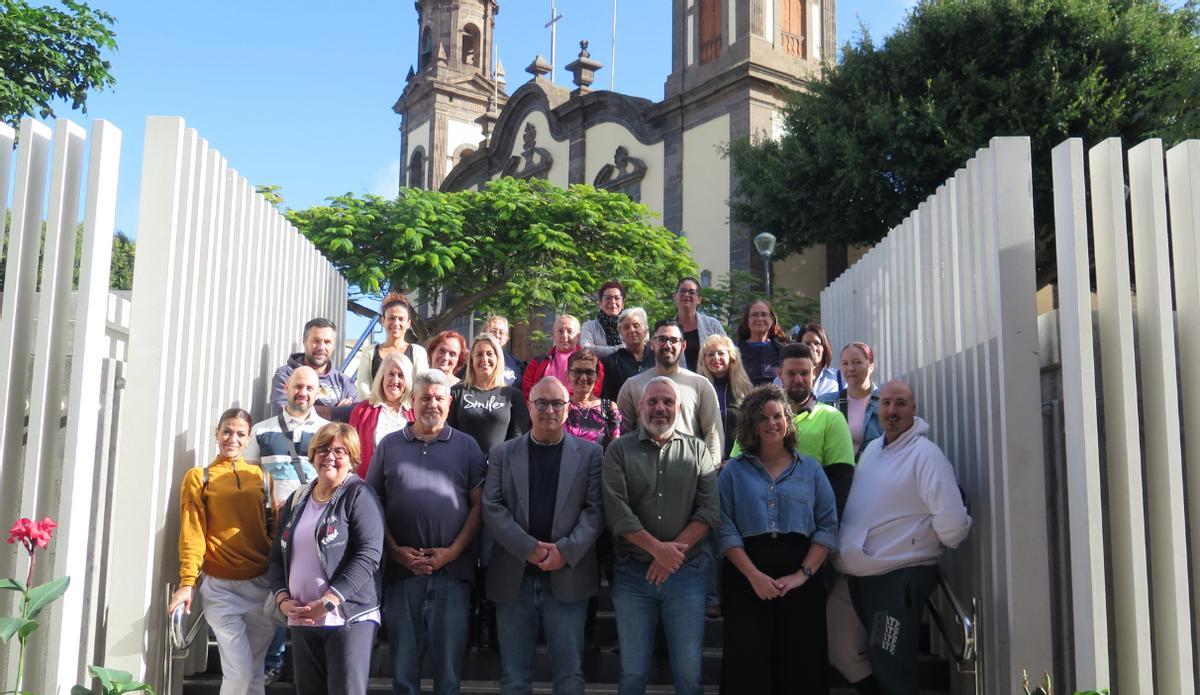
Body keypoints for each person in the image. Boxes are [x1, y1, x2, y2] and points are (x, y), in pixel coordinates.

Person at [836, 380, 971, 695]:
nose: (892, 411)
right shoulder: (871, 449)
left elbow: (952, 523)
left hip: (897, 579)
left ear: (914, 409)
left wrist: (916, 541)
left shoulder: (926, 455)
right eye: (885, 403)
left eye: (900, 403)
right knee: (837, 643)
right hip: (858, 574)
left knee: (892, 663)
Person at [366, 369, 486, 695]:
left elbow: (479, 507)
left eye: (438, 398)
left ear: (449, 402)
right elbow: (371, 504)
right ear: (412, 401)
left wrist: (452, 552)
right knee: (404, 674)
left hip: (453, 573)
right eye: (425, 398)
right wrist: (395, 551)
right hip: (401, 574)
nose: (431, 404)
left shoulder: (467, 446)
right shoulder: (389, 446)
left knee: (448, 675)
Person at [482, 376, 605, 695]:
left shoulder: (591, 454)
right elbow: (492, 507)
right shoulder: (501, 454)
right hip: (514, 578)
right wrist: (530, 549)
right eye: (542, 403)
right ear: (529, 406)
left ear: (568, 409)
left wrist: (565, 550)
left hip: (568, 578)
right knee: (514, 677)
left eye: (557, 403)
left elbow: (595, 511)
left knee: (569, 677)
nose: (549, 409)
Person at [717, 385, 839, 695]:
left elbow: (827, 525)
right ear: (750, 424)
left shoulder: (810, 469)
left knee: (802, 667)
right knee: (748, 667)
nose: (773, 423)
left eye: (779, 416)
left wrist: (803, 575)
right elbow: (725, 527)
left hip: (801, 578)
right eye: (764, 418)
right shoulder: (733, 473)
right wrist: (754, 576)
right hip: (746, 579)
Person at [602, 377, 720, 695]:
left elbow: (709, 510)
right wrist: (657, 550)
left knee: (689, 674)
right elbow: (617, 512)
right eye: (653, 401)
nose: (660, 408)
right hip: (632, 576)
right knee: (632, 673)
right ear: (641, 406)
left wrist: (670, 557)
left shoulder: (697, 450)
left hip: (686, 576)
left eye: (667, 402)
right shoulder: (618, 450)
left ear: (678, 408)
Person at [268, 423, 385, 695]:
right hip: (302, 618)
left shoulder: (360, 495)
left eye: (339, 451)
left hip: (348, 618)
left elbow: (369, 555)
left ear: (353, 459)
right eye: (322, 449)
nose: (329, 456)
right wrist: (283, 600)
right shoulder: (298, 498)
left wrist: (330, 600)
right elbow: (275, 559)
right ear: (312, 455)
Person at [167, 408, 276, 695]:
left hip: (261, 585)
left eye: (240, 434)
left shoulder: (261, 477)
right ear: (216, 434)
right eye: (227, 431)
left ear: (248, 438)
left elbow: (272, 530)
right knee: (239, 673)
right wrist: (187, 583)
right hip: (221, 590)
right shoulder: (199, 477)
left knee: (254, 676)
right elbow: (192, 533)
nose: (232, 438)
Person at [245, 366, 329, 683]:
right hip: (275, 526)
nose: (302, 393)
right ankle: (273, 659)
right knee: (280, 589)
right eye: (297, 387)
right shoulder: (262, 431)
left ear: (317, 392)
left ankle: (310, 662)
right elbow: (250, 482)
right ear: (286, 389)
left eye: (309, 388)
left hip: (314, 527)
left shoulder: (327, 430)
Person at [733, 343, 855, 516]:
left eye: (804, 373)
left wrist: (825, 534)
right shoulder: (755, 418)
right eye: (791, 373)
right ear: (779, 374)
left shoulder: (832, 419)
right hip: (758, 521)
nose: (798, 379)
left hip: (810, 523)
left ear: (814, 373)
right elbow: (736, 470)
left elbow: (840, 483)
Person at [616, 318, 723, 463]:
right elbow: (622, 436)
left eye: (673, 340)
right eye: (661, 339)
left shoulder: (700, 385)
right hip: (641, 474)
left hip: (688, 472)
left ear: (683, 345)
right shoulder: (631, 386)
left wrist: (710, 472)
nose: (667, 345)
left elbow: (713, 434)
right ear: (652, 344)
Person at [449, 333, 531, 456]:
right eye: (479, 354)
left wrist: (499, 463)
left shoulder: (513, 396)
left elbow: (518, 437)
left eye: (489, 354)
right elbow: (448, 433)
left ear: (498, 359)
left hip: (500, 467)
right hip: (462, 466)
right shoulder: (456, 393)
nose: (484, 359)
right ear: (471, 361)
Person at [270, 318, 357, 418]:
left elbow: (357, 415)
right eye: (316, 341)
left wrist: (303, 409)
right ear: (304, 342)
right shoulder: (286, 374)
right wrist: (336, 412)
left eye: (327, 342)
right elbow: (283, 413)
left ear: (334, 346)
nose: (321, 347)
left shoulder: (344, 382)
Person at [348, 352, 414, 478]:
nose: (395, 380)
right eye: (391, 374)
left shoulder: (414, 412)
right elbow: (350, 451)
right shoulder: (362, 410)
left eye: (401, 375)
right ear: (382, 376)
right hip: (367, 485)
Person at [355, 292, 429, 399]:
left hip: (407, 412)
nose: (396, 323)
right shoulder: (369, 351)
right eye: (391, 318)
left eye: (401, 319)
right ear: (383, 321)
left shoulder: (418, 352)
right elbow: (363, 386)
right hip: (375, 410)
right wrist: (378, 406)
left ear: (408, 323)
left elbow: (421, 386)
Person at [818, 342, 882, 461]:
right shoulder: (826, 402)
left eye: (857, 362)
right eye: (845, 363)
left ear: (871, 366)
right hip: (838, 474)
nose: (851, 368)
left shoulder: (885, 402)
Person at [696, 335, 752, 461]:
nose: (716, 358)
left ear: (731, 357)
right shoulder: (697, 391)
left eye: (721, 353)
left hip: (737, 463)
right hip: (704, 463)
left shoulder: (745, 392)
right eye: (710, 354)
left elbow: (751, 432)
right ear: (703, 360)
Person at [522, 315, 603, 399]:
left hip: (580, 408)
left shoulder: (593, 362)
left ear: (578, 336)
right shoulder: (537, 362)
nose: (564, 336)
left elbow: (595, 389)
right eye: (560, 331)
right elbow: (528, 390)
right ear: (553, 335)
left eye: (570, 331)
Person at [563, 348, 622, 449]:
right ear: (568, 375)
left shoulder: (608, 408)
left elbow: (615, 448)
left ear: (597, 376)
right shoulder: (561, 407)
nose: (583, 378)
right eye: (577, 372)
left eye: (589, 372)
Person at [672, 277, 727, 372]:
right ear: (675, 297)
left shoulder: (713, 325)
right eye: (682, 291)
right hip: (676, 384)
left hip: (709, 383)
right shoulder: (666, 329)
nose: (686, 294)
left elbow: (728, 354)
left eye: (692, 292)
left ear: (699, 299)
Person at [601, 307, 655, 402]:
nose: (631, 330)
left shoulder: (657, 358)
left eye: (636, 325)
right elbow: (608, 397)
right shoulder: (612, 361)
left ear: (645, 329)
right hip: (624, 414)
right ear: (620, 333)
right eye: (626, 327)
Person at [735, 300, 788, 386]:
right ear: (747, 320)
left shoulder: (782, 351)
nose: (759, 318)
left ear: (771, 319)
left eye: (764, 314)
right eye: (754, 315)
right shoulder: (735, 351)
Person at [580, 280, 627, 358]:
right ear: (600, 302)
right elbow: (586, 349)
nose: (612, 302)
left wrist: (598, 350)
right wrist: (622, 349)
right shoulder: (589, 326)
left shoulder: (629, 326)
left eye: (617, 298)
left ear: (622, 303)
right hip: (599, 369)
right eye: (608, 298)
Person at [796, 323, 839, 398]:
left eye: (817, 343)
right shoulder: (784, 380)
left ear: (825, 347)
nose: (812, 348)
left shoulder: (839, 378)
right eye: (807, 344)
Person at [484, 315, 525, 386]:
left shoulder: (515, 362)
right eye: (493, 331)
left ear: (507, 338)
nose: (497, 335)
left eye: (501, 332)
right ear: (485, 334)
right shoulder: (476, 358)